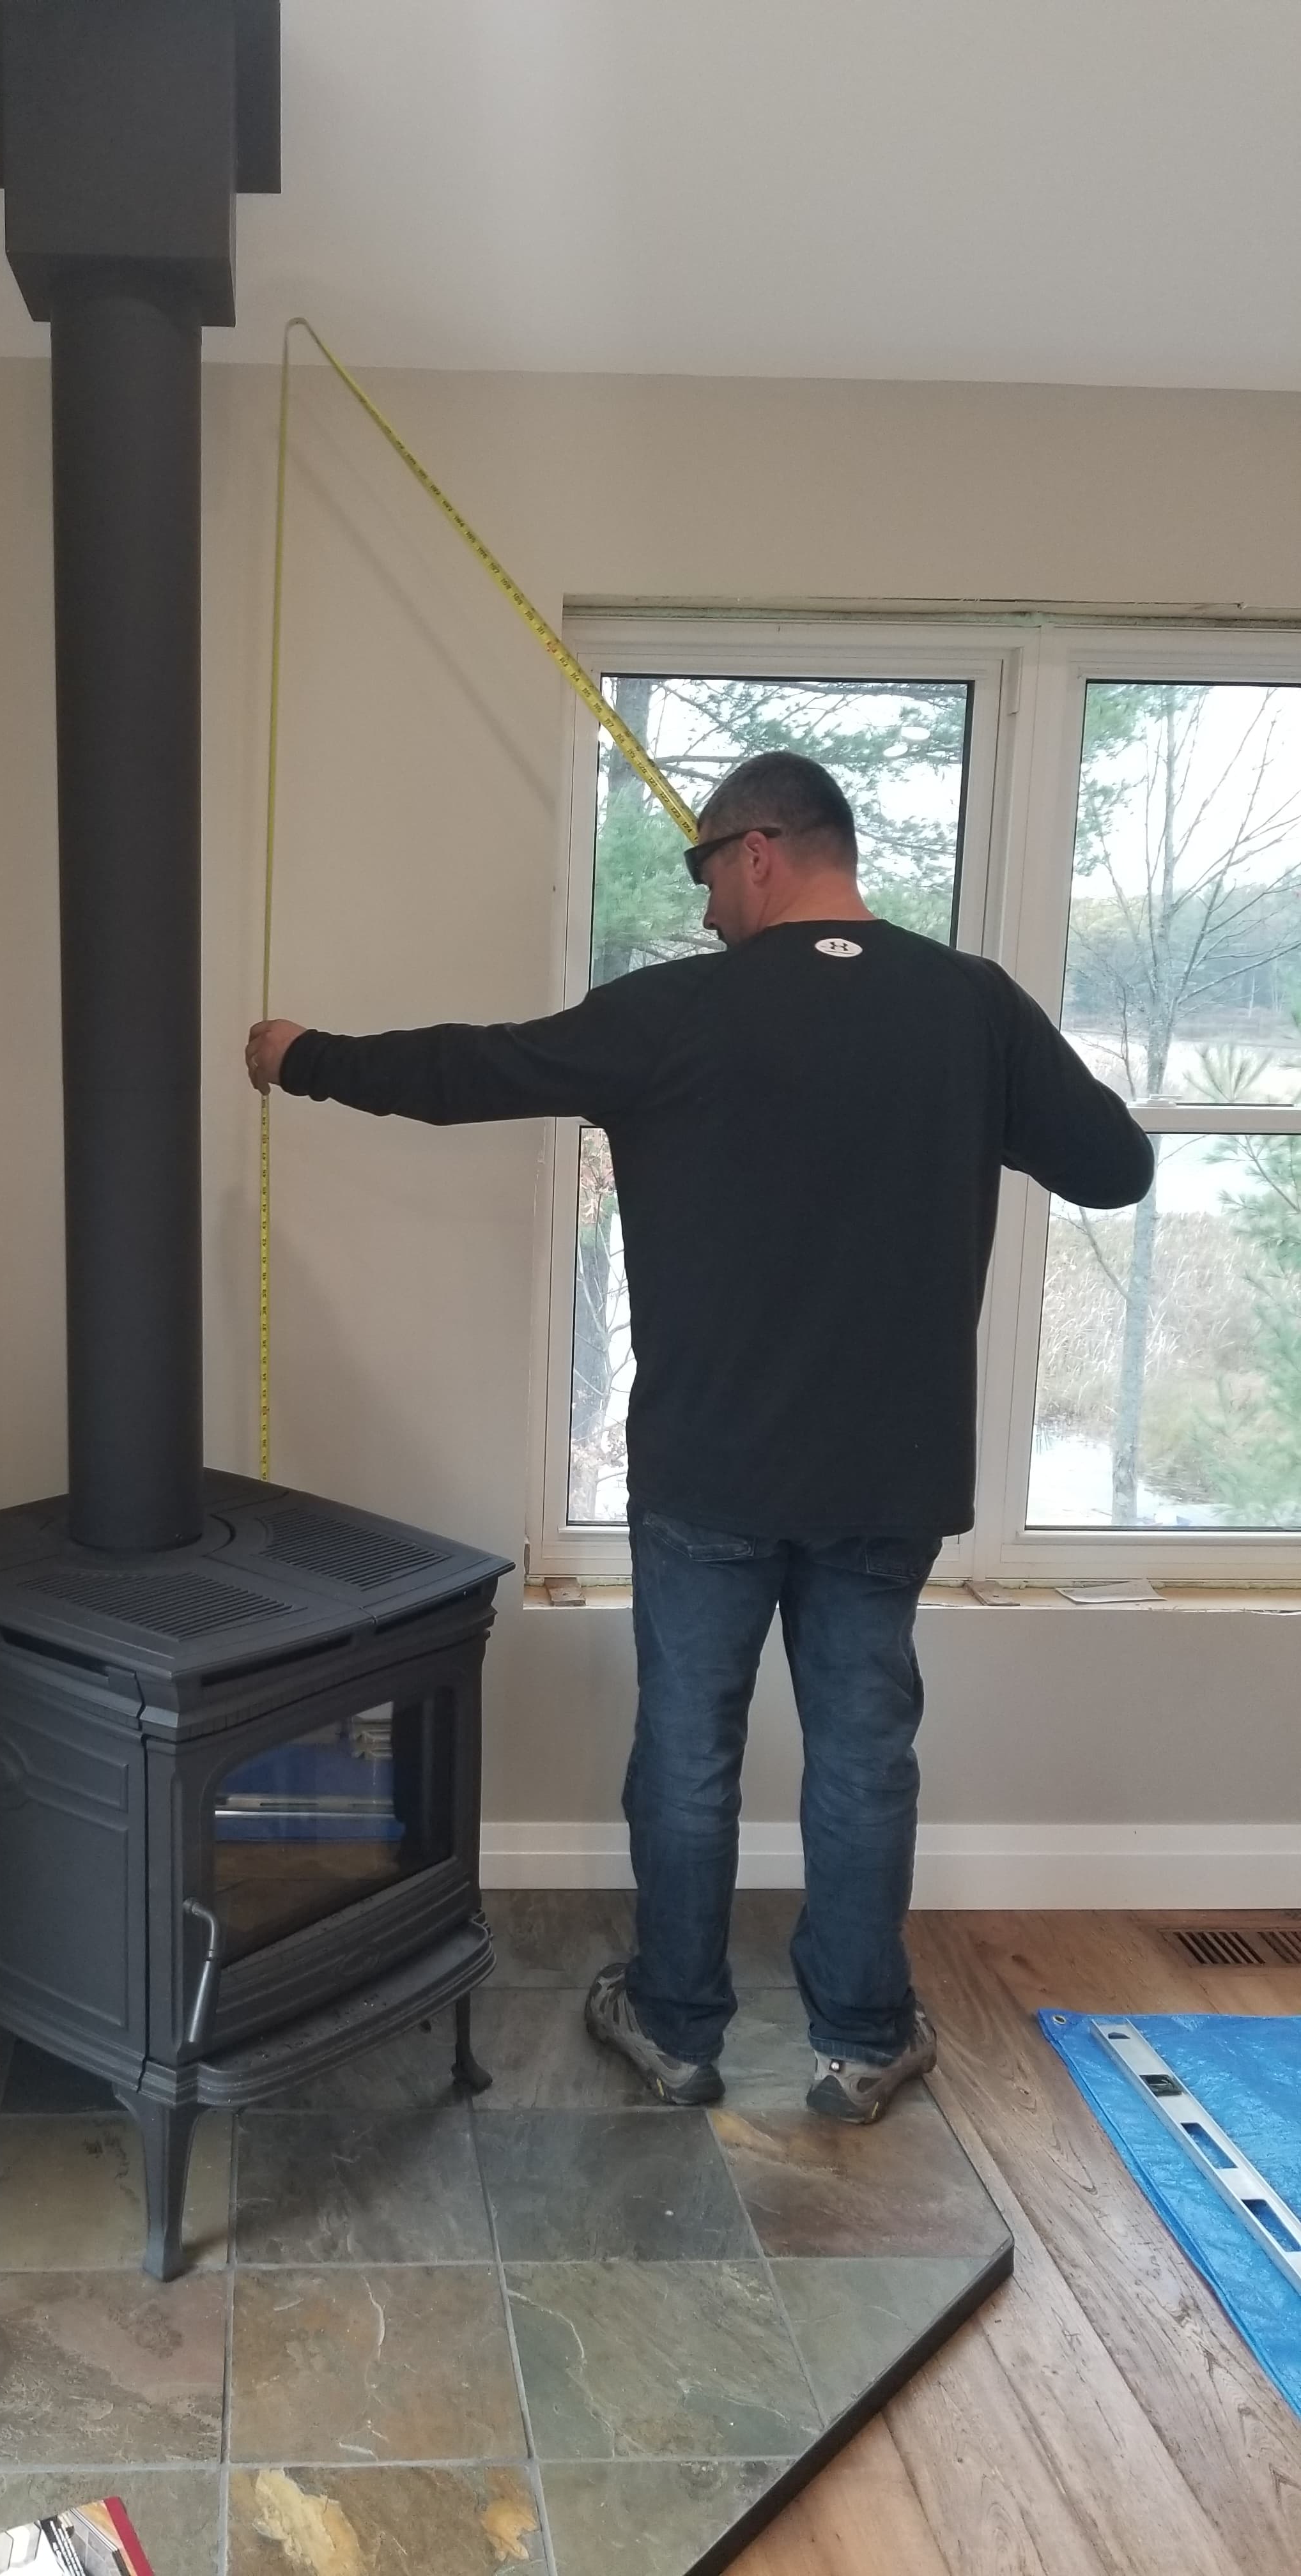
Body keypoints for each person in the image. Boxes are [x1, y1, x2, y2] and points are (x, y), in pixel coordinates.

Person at [244, 751, 1154, 2122]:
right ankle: (860, 2040)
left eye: (705, 873)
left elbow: (472, 1072)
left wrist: (300, 1060)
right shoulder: (970, 1007)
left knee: (688, 1752)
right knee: (862, 1755)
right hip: (887, 1478)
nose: (705, 905)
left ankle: (676, 2029)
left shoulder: (678, 1012)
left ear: (761, 852)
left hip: (710, 1473)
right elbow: (1118, 1165)